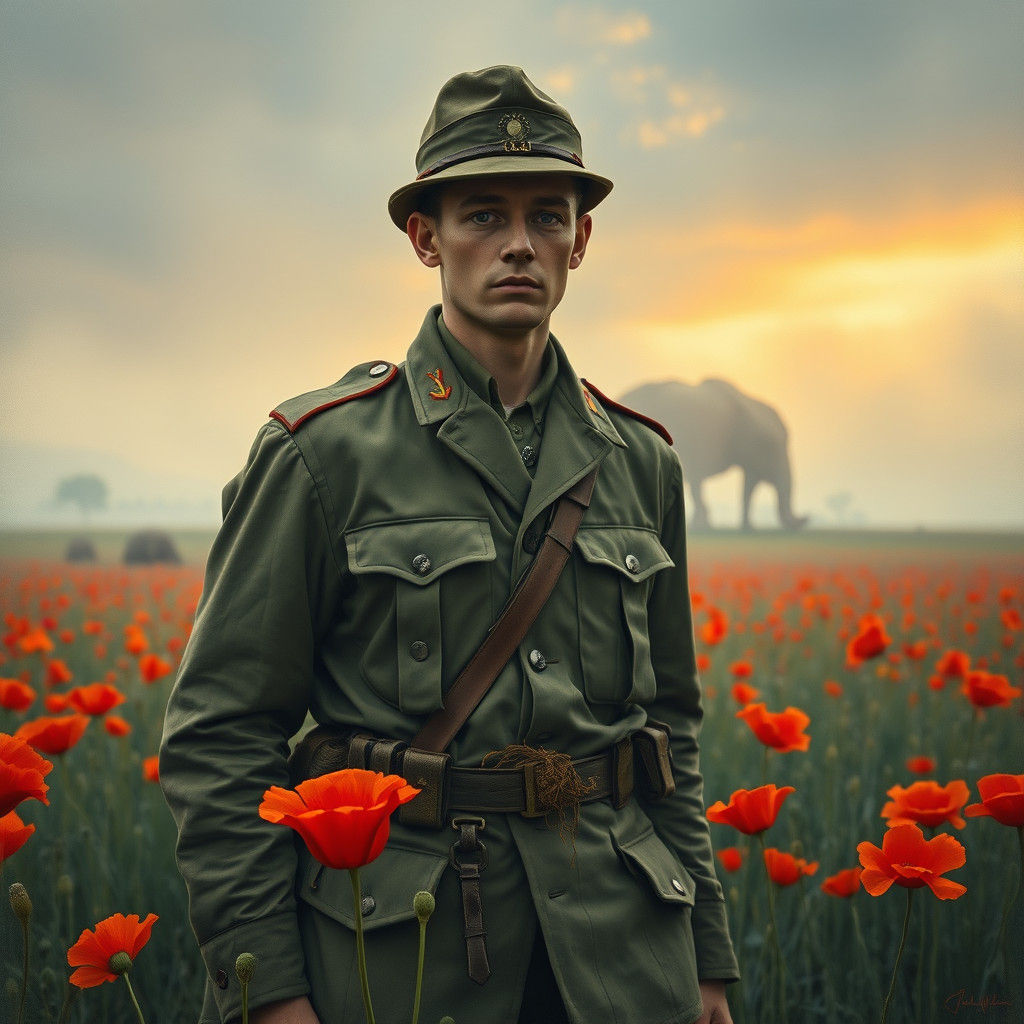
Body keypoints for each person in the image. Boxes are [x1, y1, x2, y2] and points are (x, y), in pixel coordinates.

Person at [160, 65, 739, 1024]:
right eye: (482, 215)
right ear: (425, 237)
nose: (520, 244)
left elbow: (668, 731)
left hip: (624, 958)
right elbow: (220, 738)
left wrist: (705, 957)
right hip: (407, 954)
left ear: (581, 241)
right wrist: (267, 991)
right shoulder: (324, 456)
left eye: (548, 216)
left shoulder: (640, 462)